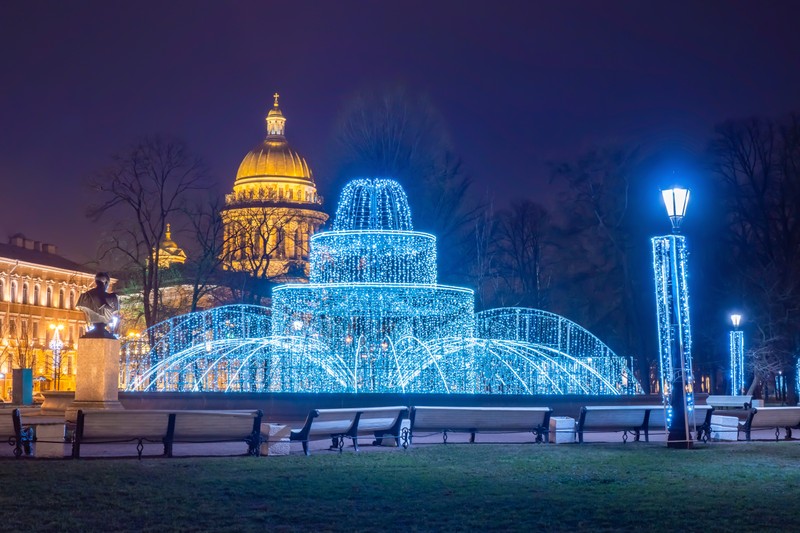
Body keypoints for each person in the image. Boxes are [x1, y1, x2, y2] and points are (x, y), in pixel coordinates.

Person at [76, 272, 120, 339]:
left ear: (96, 281)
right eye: (108, 284)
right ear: (105, 283)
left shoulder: (84, 297)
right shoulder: (113, 298)